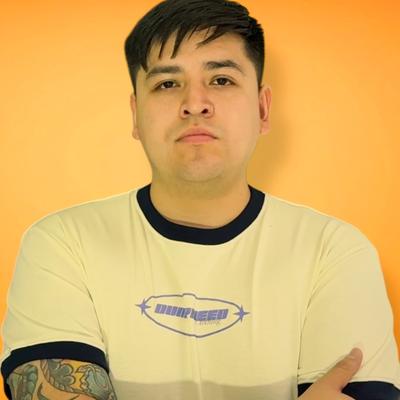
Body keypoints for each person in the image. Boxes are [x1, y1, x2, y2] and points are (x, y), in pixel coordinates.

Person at [1, 0, 399, 399]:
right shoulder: (63, 244)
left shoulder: (334, 252)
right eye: (167, 84)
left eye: (221, 80)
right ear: (136, 114)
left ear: (262, 109)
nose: (195, 103)